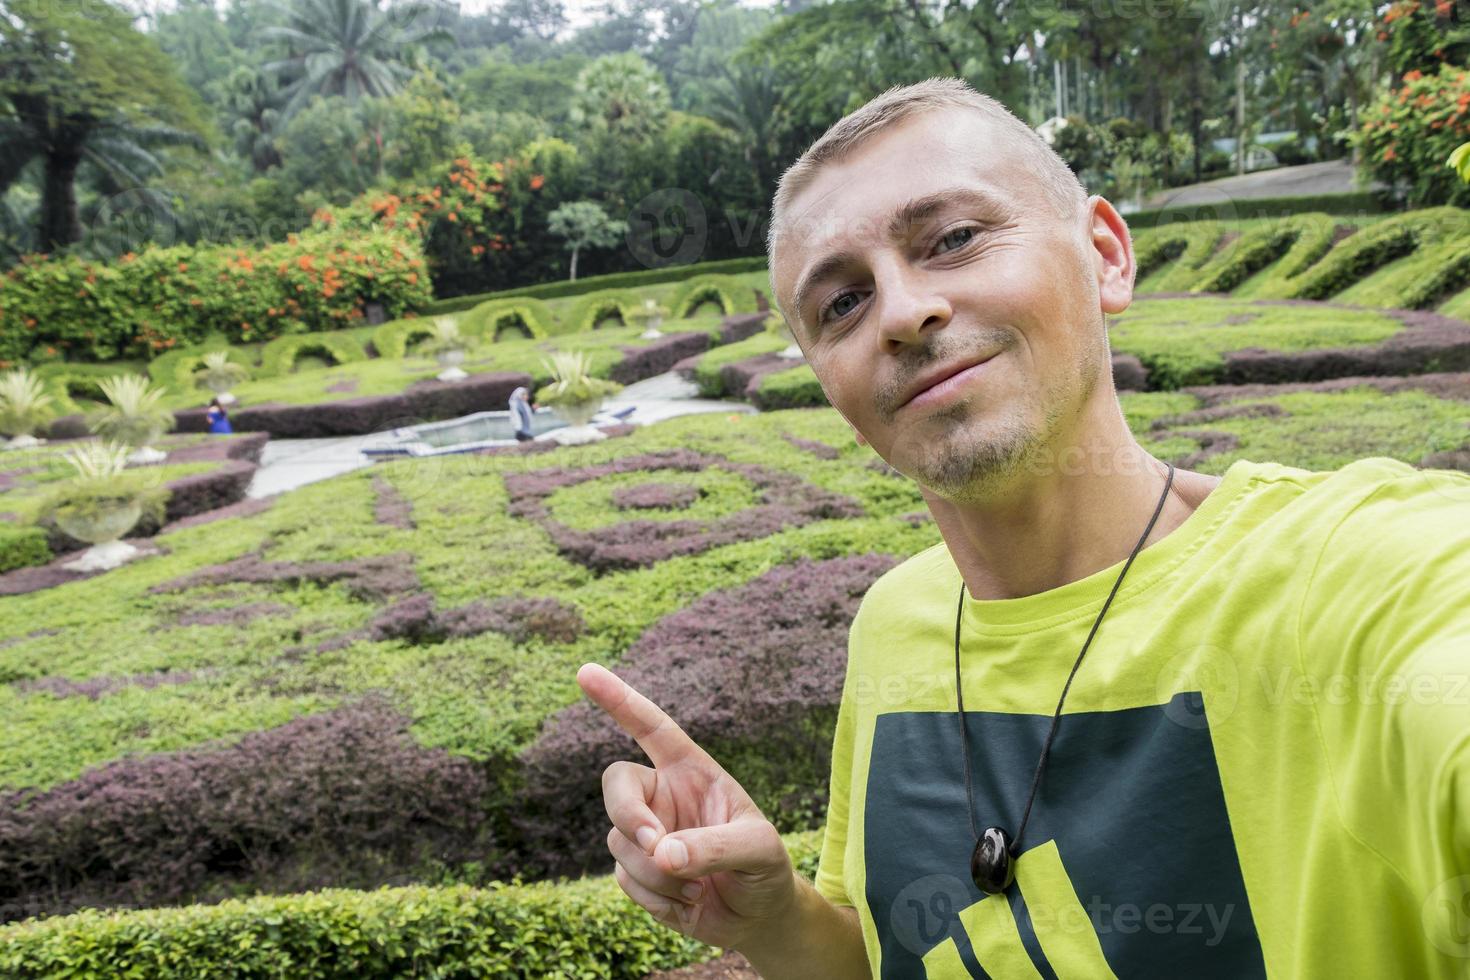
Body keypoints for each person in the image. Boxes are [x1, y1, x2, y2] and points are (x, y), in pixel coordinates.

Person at [577, 76, 1470, 978]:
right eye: (840, 304)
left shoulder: (1359, 572)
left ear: (1106, 255)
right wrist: (772, 923)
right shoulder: (895, 624)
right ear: (828, 385)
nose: (900, 312)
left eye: (955, 239)